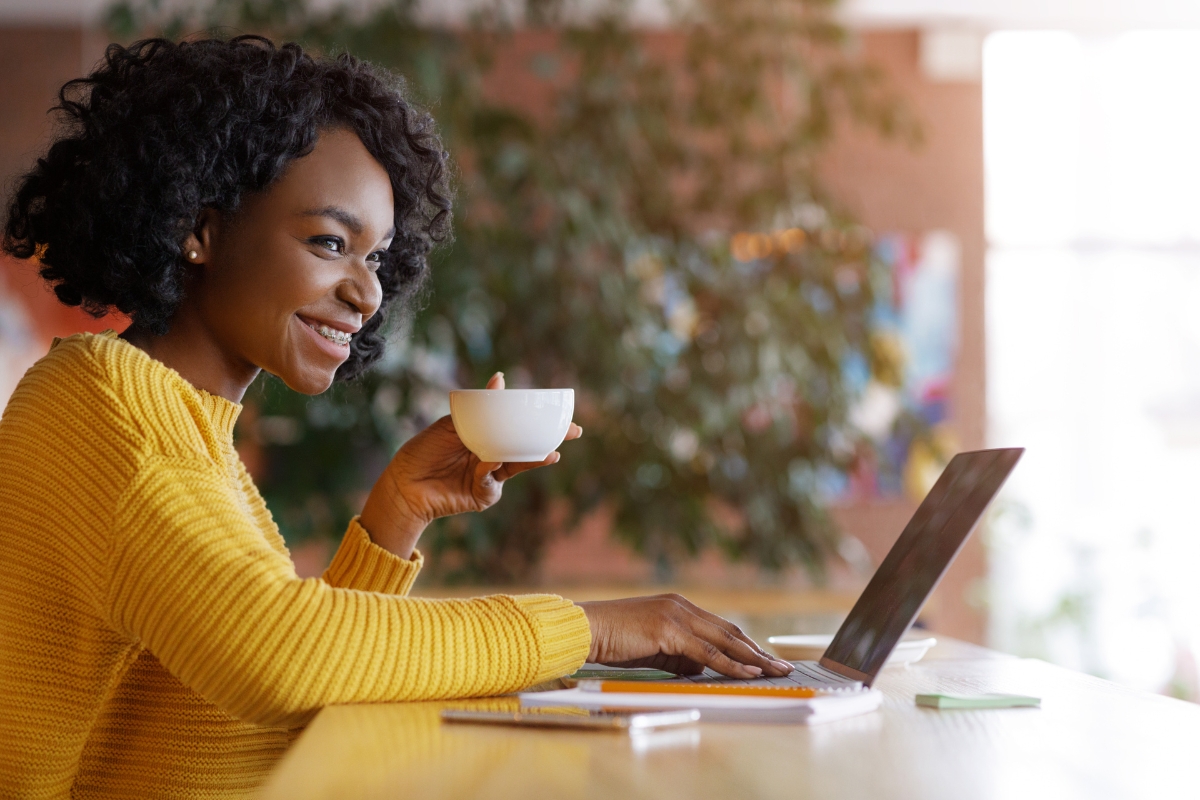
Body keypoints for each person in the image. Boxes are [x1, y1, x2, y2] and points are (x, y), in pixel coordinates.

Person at [0, 36, 792, 797]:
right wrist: (595, 630)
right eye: (329, 242)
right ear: (198, 228)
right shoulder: (103, 403)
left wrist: (396, 513)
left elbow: (264, 707)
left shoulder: (188, 428)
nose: (367, 292)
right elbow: (274, 658)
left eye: (375, 258)